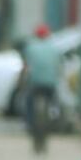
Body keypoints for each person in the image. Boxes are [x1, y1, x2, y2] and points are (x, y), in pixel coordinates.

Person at [17, 24, 63, 152]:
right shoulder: (54, 48)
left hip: (35, 84)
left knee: (28, 102)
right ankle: (55, 117)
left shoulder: (30, 47)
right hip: (50, 84)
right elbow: (59, 68)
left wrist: (21, 82)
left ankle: (29, 123)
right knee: (54, 102)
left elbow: (25, 67)